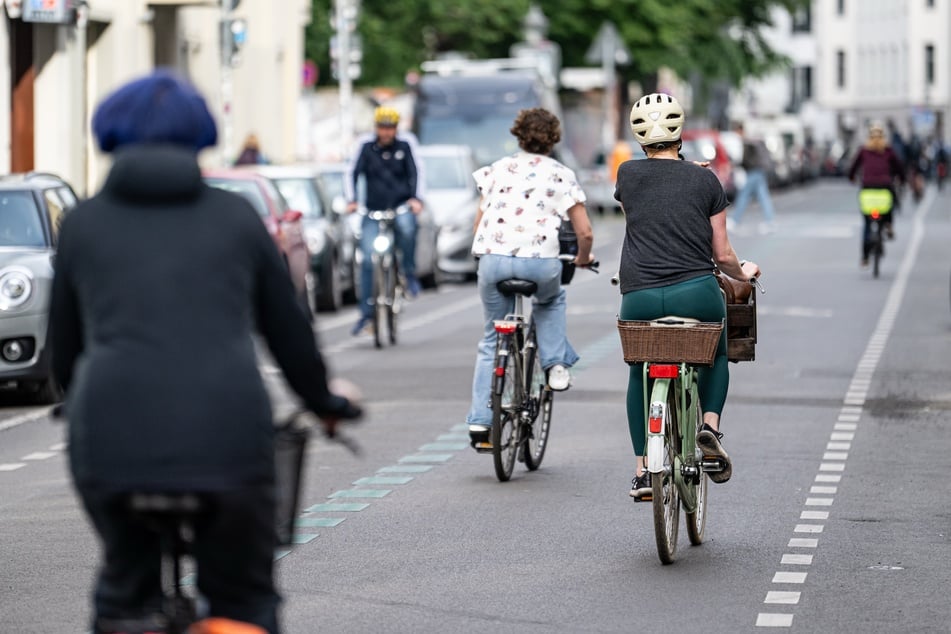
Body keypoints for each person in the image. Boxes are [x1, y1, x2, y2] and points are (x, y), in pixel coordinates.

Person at [48, 70, 361, 634]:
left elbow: (64, 349)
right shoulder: (235, 218)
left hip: (112, 442)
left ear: (110, 136)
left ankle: (127, 613)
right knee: (242, 596)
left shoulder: (82, 224)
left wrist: (78, 402)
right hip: (226, 438)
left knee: (125, 585)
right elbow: (288, 331)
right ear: (199, 135)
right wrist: (325, 401)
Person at [613, 93, 761, 499]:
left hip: (639, 296)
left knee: (638, 368)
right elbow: (722, 255)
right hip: (696, 293)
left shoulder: (627, 175)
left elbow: (645, 214)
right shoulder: (706, 180)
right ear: (680, 132)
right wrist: (743, 272)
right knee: (716, 350)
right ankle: (709, 427)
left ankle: (643, 470)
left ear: (639, 136)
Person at [465, 107, 595, 449]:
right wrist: (583, 257)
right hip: (540, 263)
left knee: (491, 338)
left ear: (518, 135)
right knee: (551, 299)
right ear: (553, 139)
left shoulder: (497, 169)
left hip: (493, 260)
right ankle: (555, 365)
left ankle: (480, 423)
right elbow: (584, 231)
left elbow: (479, 224)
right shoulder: (561, 174)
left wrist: (485, 254)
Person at [345, 106, 425, 335]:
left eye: (390, 127)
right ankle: (366, 314)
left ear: (396, 128)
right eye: (382, 127)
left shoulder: (405, 147)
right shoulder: (366, 148)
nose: (386, 132)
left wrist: (416, 199)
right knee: (367, 260)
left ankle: (408, 273)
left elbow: (416, 173)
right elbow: (352, 173)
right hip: (373, 211)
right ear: (376, 128)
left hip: (399, 207)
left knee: (408, 229)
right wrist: (352, 201)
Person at [848, 122, 904, 266]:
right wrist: (901, 179)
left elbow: (853, 167)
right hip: (884, 188)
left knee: (867, 224)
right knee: (891, 202)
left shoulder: (863, 150)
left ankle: (865, 257)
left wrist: (852, 178)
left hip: (867, 189)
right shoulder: (888, 151)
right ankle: (889, 224)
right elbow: (899, 167)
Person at [727, 122, 776, 234]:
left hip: (753, 172)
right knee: (763, 197)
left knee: (743, 195)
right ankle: (770, 221)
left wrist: (738, 165)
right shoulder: (751, 141)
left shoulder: (747, 142)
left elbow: (747, 160)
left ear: (740, 130)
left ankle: (735, 220)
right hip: (759, 171)